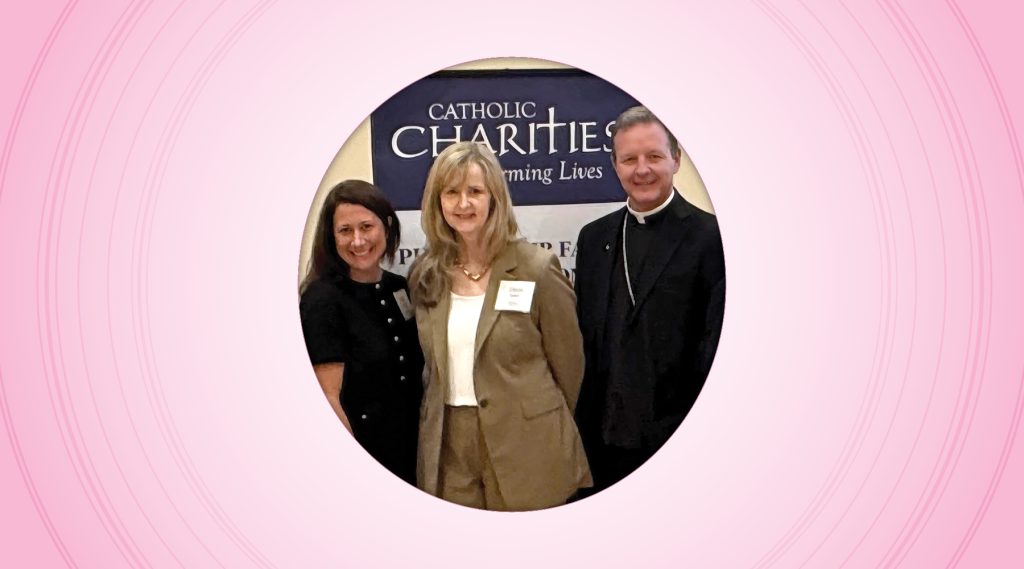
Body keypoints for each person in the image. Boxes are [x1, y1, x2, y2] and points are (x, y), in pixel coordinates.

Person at [408, 141, 591, 511]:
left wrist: (535, 416)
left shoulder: (536, 268)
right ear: (436, 201)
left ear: (495, 197)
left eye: (474, 191)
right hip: (449, 447)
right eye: (452, 192)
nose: (463, 204)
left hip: (528, 441)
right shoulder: (426, 274)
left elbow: (569, 368)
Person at [574, 106, 726, 494]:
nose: (642, 169)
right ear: (615, 165)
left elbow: (714, 348)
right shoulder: (594, 238)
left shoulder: (711, 239)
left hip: (674, 436)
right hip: (601, 437)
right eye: (629, 159)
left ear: (676, 159)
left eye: (654, 156)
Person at [299, 180, 424, 485]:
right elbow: (329, 397)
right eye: (345, 230)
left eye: (367, 226)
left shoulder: (399, 288)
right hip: (364, 458)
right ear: (331, 236)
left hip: (411, 451)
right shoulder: (322, 299)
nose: (357, 240)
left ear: (387, 226)